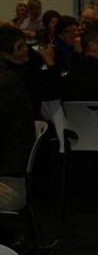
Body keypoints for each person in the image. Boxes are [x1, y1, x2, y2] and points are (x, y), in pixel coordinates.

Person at [0, 25, 36, 212]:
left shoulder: (7, 82)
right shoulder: (10, 78)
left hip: (9, 177)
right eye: (21, 46)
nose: (27, 50)